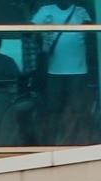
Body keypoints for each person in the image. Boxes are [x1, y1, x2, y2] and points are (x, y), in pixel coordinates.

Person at [31, 0, 94, 144]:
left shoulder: (80, 12)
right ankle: (53, 141)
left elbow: (90, 34)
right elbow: (31, 30)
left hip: (78, 71)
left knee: (75, 110)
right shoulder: (45, 11)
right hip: (53, 71)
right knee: (53, 110)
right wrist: (43, 37)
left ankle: (71, 140)